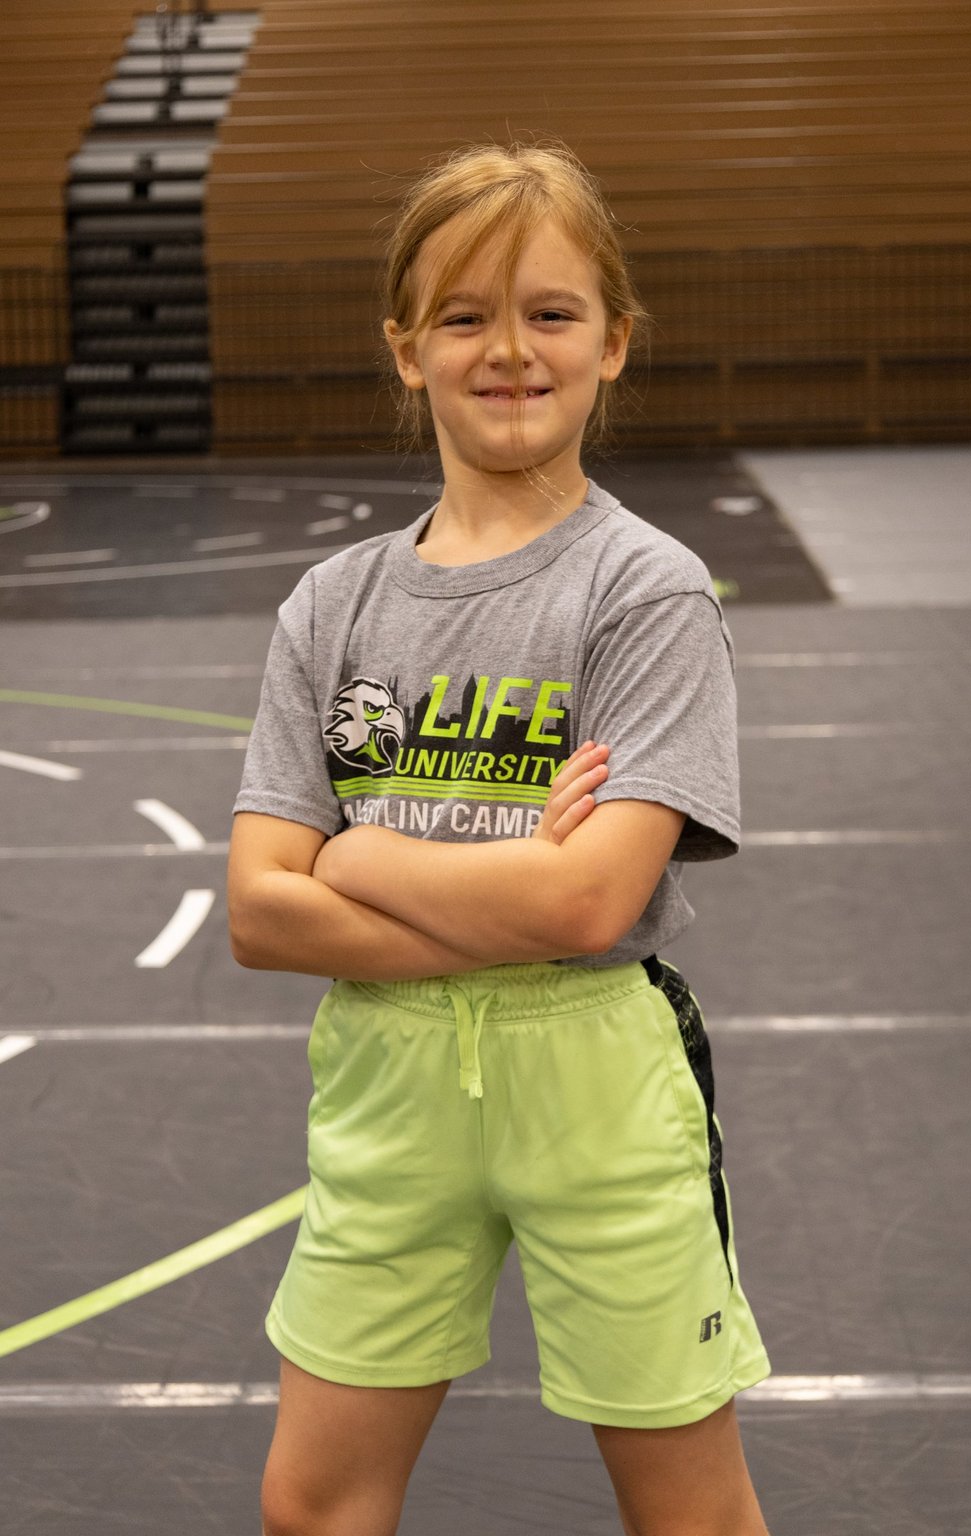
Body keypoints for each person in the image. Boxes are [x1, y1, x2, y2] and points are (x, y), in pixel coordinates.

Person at [228, 141, 771, 1536]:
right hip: (388, 1089)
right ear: (406, 352)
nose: (509, 349)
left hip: (594, 1080)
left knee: (689, 1516)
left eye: (550, 313)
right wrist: (508, 877)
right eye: (464, 317)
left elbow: (590, 908)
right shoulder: (332, 607)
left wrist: (360, 855)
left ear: (614, 344)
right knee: (313, 1505)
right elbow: (257, 915)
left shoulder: (642, 591)